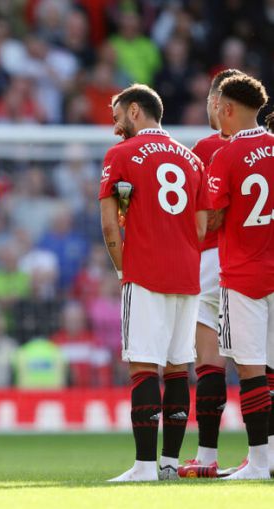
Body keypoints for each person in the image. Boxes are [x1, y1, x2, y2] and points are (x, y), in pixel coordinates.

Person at [99, 84, 209, 482]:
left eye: (117, 118)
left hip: (145, 273)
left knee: (144, 366)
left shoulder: (121, 154)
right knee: (178, 368)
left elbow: (110, 224)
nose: (116, 128)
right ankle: (169, 464)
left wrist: (121, 269)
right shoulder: (192, 159)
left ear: (134, 111)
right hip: (188, 276)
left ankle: (144, 467)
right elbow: (201, 226)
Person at [206, 73, 273, 480]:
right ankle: (272, 457)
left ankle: (259, 462)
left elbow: (213, 218)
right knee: (272, 370)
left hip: (244, 276)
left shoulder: (227, 155)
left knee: (250, 370)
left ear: (227, 108)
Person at [179, 69, 241, 476]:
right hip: (258, 260)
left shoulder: (205, 148)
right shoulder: (267, 148)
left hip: (212, 261)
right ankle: (265, 455)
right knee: (260, 364)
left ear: (218, 103)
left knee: (210, 362)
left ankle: (206, 457)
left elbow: (199, 212)